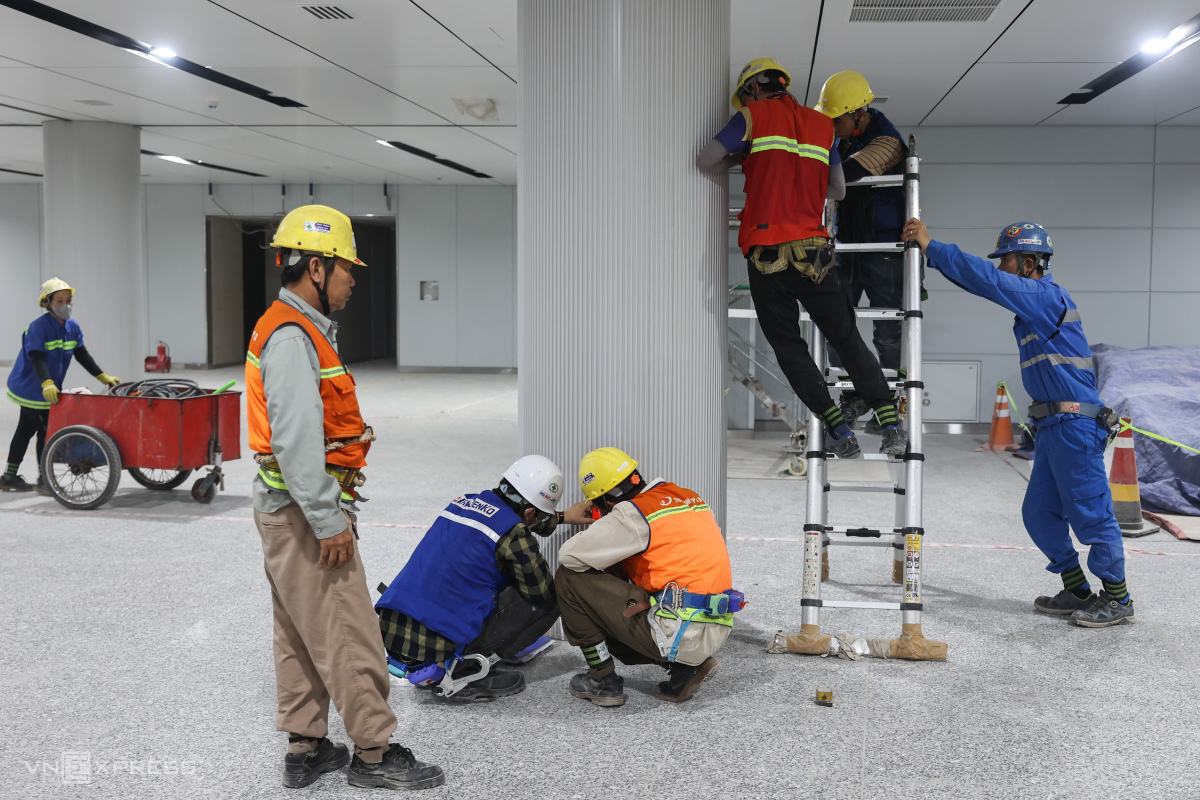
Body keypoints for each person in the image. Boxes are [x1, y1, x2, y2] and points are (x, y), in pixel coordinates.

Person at [245, 204, 444, 791]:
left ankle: (306, 745)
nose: (354, 278)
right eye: (345, 268)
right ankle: (375, 753)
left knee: (299, 629)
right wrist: (330, 521)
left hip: (287, 512)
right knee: (346, 629)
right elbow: (297, 440)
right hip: (306, 514)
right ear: (314, 268)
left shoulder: (293, 327)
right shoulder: (290, 335)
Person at [902, 217, 1135, 628]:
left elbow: (987, 283)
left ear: (1030, 262)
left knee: (1090, 514)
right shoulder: (1030, 309)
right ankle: (1077, 589)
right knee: (1039, 513)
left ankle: (1118, 599)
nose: (1000, 268)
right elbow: (988, 283)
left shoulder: (1046, 297)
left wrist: (931, 246)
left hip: (1076, 425)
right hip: (1051, 427)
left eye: (1005, 260)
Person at [698, 57, 904, 457]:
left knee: (790, 347)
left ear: (753, 89)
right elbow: (839, 190)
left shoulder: (750, 116)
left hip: (767, 255)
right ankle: (892, 425)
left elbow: (705, 160)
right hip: (815, 255)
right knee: (846, 337)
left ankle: (839, 430)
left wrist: (745, 159)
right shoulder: (821, 126)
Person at [376, 455, 592, 702]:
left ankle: (437, 661)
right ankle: (466, 671)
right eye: (540, 516)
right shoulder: (514, 534)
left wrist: (562, 517)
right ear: (530, 512)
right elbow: (540, 590)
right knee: (548, 599)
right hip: (433, 645)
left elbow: (509, 520)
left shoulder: (463, 502)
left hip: (394, 631)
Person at [555, 447, 742, 706]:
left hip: (677, 633)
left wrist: (598, 521)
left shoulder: (633, 513)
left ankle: (602, 679)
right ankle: (686, 669)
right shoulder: (688, 496)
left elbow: (569, 555)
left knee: (569, 577)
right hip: (715, 627)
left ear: (606, 501)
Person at [815, 70, 911, 433]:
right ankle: (852, 395)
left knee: (888, 330)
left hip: (883, 248)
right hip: (848, 247)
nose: (832, 127)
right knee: (837, 323)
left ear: (859, 114)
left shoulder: (887, 142)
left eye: (835, 119)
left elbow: (843, 177)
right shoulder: (842, 141)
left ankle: (890, 399)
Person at [3, 278, 119, 492]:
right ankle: (45, 480)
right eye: (59, 300)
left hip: (46, 387)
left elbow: (81, 354)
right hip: (31, 386)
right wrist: (46, 382)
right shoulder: (38, 327)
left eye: (68, 300)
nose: (66, 304)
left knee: (25, 430)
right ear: (47, 303)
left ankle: (9, 477)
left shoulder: (72, 327)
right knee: (46, 432)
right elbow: (36, 357)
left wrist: (102, 376)